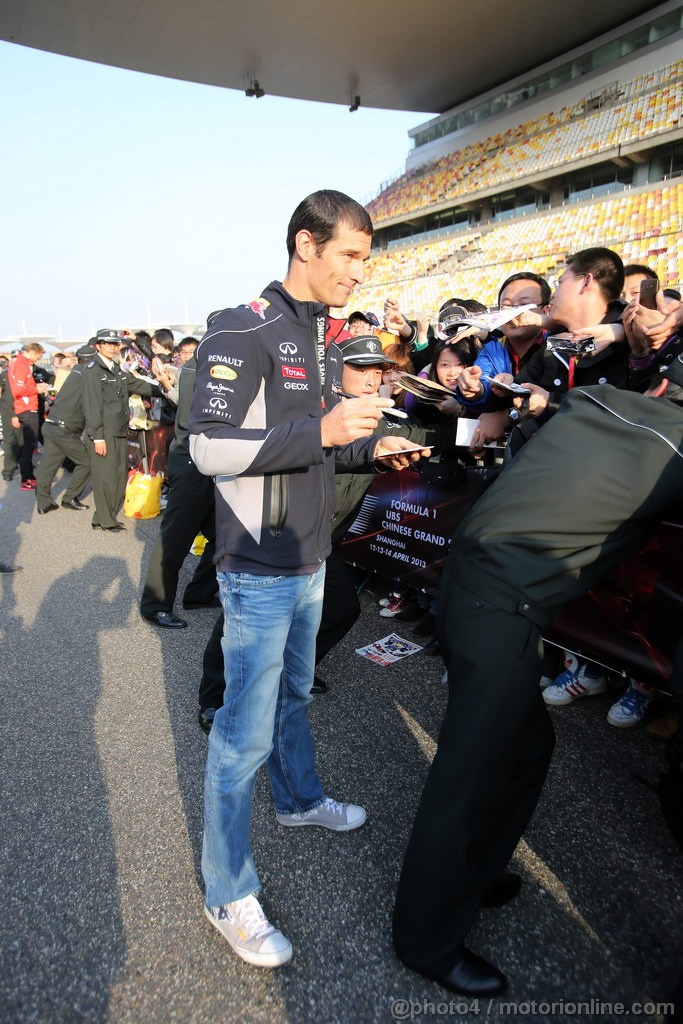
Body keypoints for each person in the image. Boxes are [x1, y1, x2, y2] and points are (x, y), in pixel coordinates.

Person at [392, 300, 683, 998]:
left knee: (525, 748)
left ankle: (472, 868)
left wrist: (618, 334)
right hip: (501, 604)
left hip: (470, 581)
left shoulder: (594, 398)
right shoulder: (674, 448)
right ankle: (424, 940)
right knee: (467, 775)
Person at [189, 189, 427, 968]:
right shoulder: (241, 327)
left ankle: (296, 801)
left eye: (365, 257)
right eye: (350, 255)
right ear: (305, 245)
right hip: (257, 570)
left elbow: (314, 447)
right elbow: (208, 450)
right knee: (238, 736)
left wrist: (367, 449)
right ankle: (227, 890)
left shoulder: (322, 338)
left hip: (311, 560)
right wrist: (323, 429)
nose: (360, 272)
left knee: (294, 695)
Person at [140, 351, 218, 628]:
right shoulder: (205, 367)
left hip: (213, 463)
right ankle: (155, 605)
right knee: (175, 539)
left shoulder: (213, 365)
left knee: (224, 537)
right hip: (192, 462)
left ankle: (199, 593)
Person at [82, 329, 161, 532]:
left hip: (118, 429)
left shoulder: (115, 368)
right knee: (105, 477)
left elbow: (137, 384)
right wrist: (97, 437)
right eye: (107, 343)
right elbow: (92, 406)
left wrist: (166, 390)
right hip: (104, 433)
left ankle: (101, 517)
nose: (112, 347)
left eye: (115, 344)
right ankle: (107, 521)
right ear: (98, 346)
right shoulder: (93, 371)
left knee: (118, 476)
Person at [34, 345, 94, 515]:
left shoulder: (73, 372)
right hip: (65, 429)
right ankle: (70, 498)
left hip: (51, 424)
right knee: (86, 462)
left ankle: (43, 502)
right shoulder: (88, 375)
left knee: (48, 465)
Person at [7, 343, 50, 490]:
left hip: (25, 407)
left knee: (29, 444)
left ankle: (28, 476)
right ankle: (27, 478)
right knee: (29, 445)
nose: (38, 359)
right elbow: (18, 389)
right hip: (27, 407)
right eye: (38, 356)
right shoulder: (21, 364)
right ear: (32, 352)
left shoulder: (18, 363)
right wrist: (36, 389)